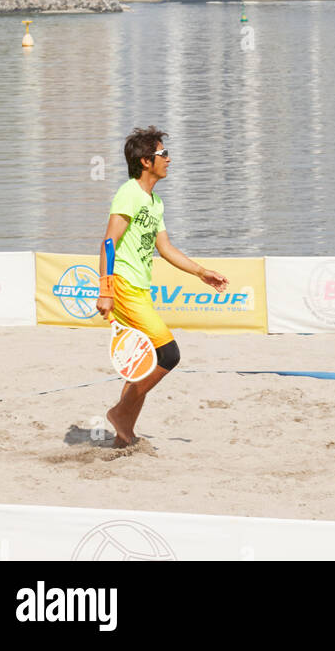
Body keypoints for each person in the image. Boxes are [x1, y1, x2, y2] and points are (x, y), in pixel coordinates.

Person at [97, 125, 228, 448]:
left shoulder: (155, 203)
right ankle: (120, 413)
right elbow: (108, 243)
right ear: (145, 161)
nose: (169, 159)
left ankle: (122, 436)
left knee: (139, 360)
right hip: (124, 285)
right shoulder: (129, 193)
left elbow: (165, 248)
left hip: (140, 288)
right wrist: (105, 290)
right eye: (163, 154)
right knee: (168, 354)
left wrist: (200, 272)